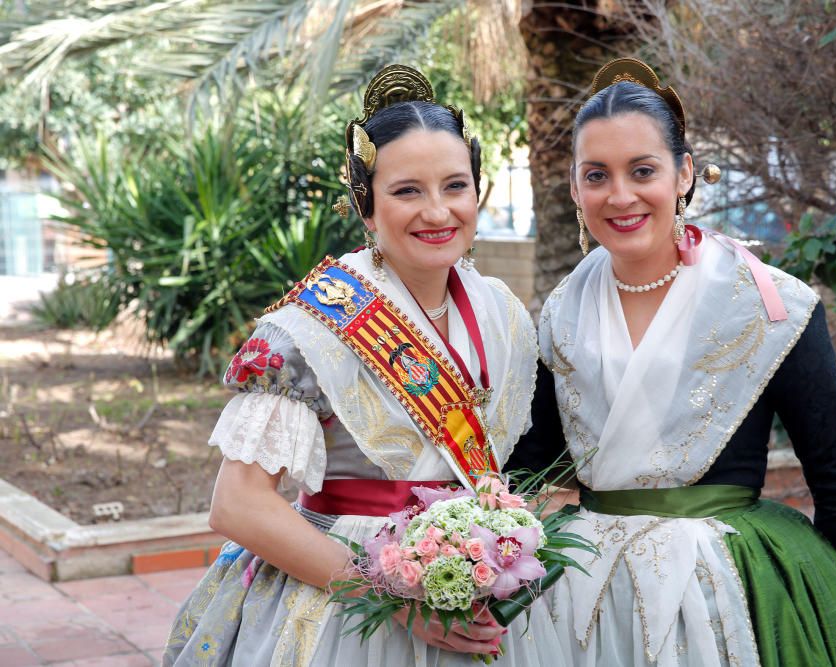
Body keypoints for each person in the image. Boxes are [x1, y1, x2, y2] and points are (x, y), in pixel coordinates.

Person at [164, 64, 565, 666]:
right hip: (348, 610)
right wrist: (393, 598)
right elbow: (239, 504)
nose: (437, 212)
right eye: (407, 191)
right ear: (367, 206)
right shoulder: (310, 328)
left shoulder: (502, 311)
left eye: (455, 186)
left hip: (482, 600)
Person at [506, 58, 836, 666]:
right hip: (582, 599)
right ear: (574, 188)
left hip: (728, 592)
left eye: (643, 170)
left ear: (683, 173)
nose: (621, 195)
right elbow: (529, 469)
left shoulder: (770, 306)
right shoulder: (559, 312)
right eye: (597, 175)